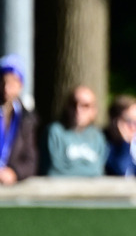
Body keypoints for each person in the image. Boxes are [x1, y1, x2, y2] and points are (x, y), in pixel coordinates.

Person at [45, 85, 108, 177]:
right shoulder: (55, 132)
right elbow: (54, 171)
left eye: (85, 105)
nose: (78, 109)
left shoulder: (98, 136)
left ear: (94, 110)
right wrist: (89, 172)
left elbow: (99, 172)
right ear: (67, 106)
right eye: (73, 104)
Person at [0, 54, 38, 184]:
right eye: (3, 81)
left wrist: (14, 172)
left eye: (12, 82)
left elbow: (30, 160)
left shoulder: (27, 119)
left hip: (12, 187)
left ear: (20, 85)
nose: (6, 88)